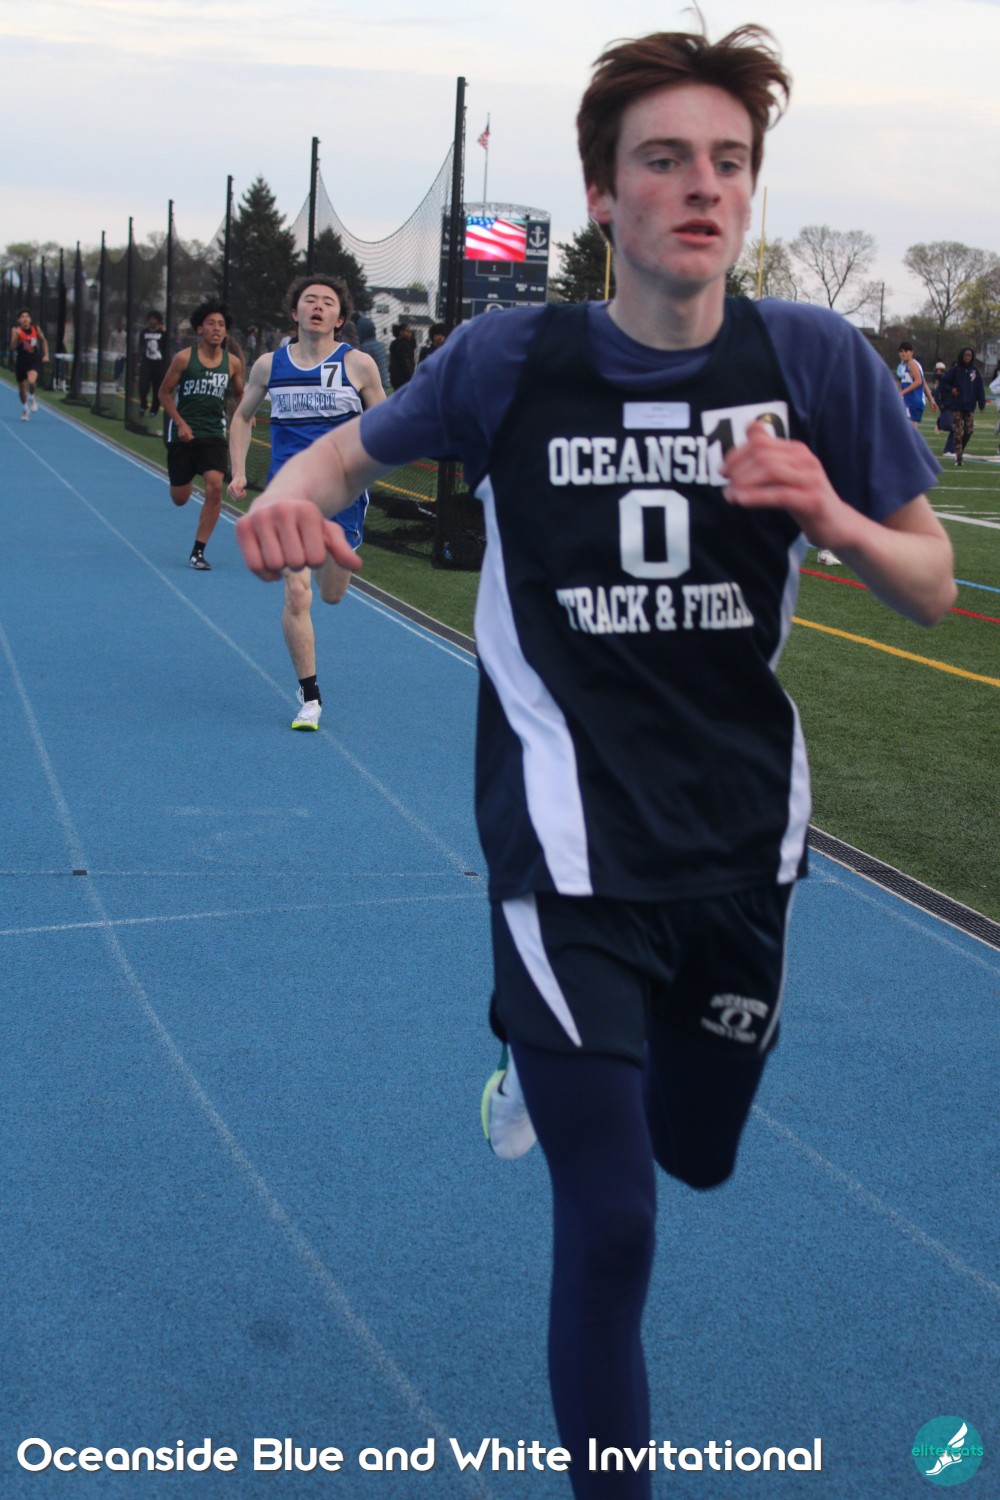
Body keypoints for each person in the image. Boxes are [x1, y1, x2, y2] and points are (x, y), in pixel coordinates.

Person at [234, 24, 955, 1498]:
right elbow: (342, 458)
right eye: (666, 160)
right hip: (561, 849)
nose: (703, 187)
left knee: (697, 1152)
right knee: (615, 1220)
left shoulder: (810, 359)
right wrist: (283, 499)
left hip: (740, 840)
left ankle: (543, 1051)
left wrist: (834, 516)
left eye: (729, 163)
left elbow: (931, 582)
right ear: (603, 193)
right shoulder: (516, 357)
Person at [228, 276, 385, 728]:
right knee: (297, 593)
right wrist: (239, 470)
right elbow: (242, 417)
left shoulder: (358, 365)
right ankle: (310, 697)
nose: (317, 306)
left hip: (342, 495)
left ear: (340, 317)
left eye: (327, 302)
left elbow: (388, 422)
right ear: (294, 312)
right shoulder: (268, 365)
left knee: (332, 594)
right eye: (309, 300)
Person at [158, 300, 244, 570]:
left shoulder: (232, 363)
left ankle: (198, 551)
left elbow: (240, 394)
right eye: (211, 324)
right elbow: (164, 393)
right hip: (183, 434)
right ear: (199, 329)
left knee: (215, 486)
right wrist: (180, 423)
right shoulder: (184, 359)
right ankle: (188, 476)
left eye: (221, 325)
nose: (216, 329)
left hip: (213, 432)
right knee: (180, 498)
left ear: (226, 332)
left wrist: (243, 414)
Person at [940, 347, 985, 467]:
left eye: (970, 355)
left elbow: (979, 388)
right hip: (957, 406)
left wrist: (981, 403)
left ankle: (959, 450)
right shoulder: (955, 370)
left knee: (969, 431)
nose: (967, 357)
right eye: (965, 355)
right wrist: (951, 390)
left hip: (969, 406)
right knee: (958, 432)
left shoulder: (975, 372)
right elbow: (943, 382)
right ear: (961, 355)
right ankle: (958, 458)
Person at [10, 309, 49, 420]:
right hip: (21, 361)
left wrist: (46, 355)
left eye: (27, 316)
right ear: (19, 320)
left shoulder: (35, 329)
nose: (25, 319)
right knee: (22, 390)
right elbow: (12, 347)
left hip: (33, 360)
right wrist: (16, 336)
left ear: (30, 319)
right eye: (22, 317)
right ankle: (25, 409)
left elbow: (43, 340)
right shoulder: (16, 330)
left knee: (32, 381)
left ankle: (32, 397)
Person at [137, 311, 169, 419]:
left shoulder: (163, 333)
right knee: (143, 385)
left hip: (159, 364)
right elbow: (141, 347)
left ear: (158, 321)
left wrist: (166, 365)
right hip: (147, 362)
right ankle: (143, 405)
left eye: (154, 319)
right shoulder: (144, 332)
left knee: (157, 388)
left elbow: (166, 349)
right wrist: (138, 361)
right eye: (150, 318)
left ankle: (154, 410)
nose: (152, 320)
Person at [896, 340, 936, 424]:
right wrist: (931, 400)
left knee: (910, 428)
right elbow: (924, 382)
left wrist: (902, 392)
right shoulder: (905, 365)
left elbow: (919, 381)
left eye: (906, 351)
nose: (903, 354)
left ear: (911, 352)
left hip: (913, 401)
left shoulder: (912, 364)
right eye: (901, 351)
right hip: (909, 401)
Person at [387, 319, 415, 389]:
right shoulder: (403, 345)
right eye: (407, 331)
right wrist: (410, 375)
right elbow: (405, 362)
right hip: (403, 378)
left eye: (410, 331)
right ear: (401, 332)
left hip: (395, 377)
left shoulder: (396, 344)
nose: (409, 333)